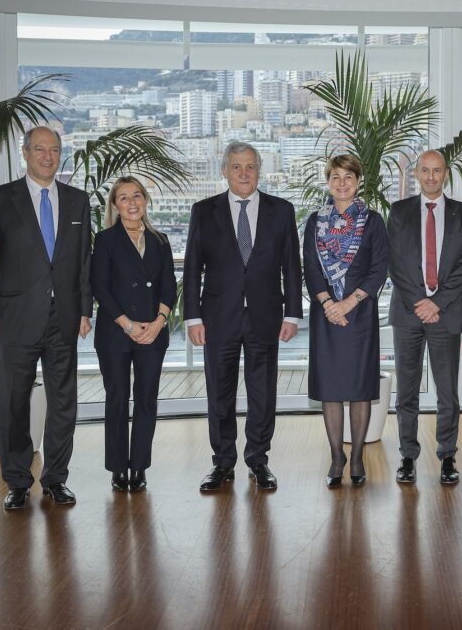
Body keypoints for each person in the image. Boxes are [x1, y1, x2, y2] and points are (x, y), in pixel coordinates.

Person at [0, 126, 93, 510]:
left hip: (64, 319)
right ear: (24, 153)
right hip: (16, 318)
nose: (48, 156)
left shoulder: (78, 201)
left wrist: (84, 310)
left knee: (64, 402)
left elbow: (83, 264)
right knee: (13, 402)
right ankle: (17, 480)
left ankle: (56, 479)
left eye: (55, 150)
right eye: (39, 149)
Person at [184, 141, 302, 491]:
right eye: (236, 167)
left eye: (250, 166)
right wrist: (193, 318)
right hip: (218, 318)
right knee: (219, 393)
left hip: (266, 317)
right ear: (224, 171)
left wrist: (293, 313)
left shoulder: (281, 211)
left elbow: (291, 269)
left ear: (259, 170)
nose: (244, 173)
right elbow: (192, 269)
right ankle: (222, 463)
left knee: (262, 393)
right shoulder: (203, 211)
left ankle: (258, 460)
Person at [387, 150, 462, 485]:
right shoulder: (399, 212)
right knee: (407, 391)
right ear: (417, 174)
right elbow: (394, 263)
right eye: (425, 170)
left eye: (437, 170)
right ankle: (408, 456)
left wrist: (436, 302)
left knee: (447, 391)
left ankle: (448, 455)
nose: (431, 176)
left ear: (446, 173)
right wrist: (420, 301)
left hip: (447, 314)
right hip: (408, 315)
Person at [303, 155, 388, 487]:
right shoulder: (315, 222)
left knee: (359, 389)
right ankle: (337, 456)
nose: (341, 183)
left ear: (358, 181)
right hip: (326, 317)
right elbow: (310, 266)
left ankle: (357, 458)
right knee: (331, 389)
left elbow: (379, 268)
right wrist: (327, 304)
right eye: (335, 177)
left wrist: (349, 303)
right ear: (328, 181)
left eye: (348, 177)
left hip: (360, 315)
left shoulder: (373, 221)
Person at [91, 176, 175, 493]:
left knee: (145, 401)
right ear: (114, 205)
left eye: (137, 196)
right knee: (116, 400)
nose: (131, 203)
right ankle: (117, 467)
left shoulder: (161, 240)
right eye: (123, 198)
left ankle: (138, 466)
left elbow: (169, 287)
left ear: (145, 201)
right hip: (115, 333)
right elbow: (100, 286)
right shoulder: (105, 239)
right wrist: (127, 324)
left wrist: (158, 322)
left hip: (153, 333)